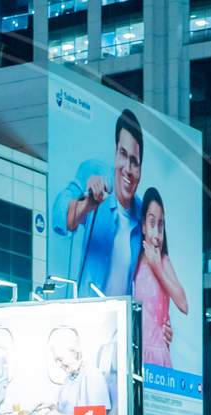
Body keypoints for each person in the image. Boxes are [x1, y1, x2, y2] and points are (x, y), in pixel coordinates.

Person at [51, 108, 145, 297]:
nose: (127, 168)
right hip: (87, 315)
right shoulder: (93, 173)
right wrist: (87, 205)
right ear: (115, 152)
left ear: (141, 167)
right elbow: (59, 217)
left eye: (134, 161)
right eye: (123, 154)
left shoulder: (143, 213)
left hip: (123, 321)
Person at [133, 187, 188, 368]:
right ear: (142, 225)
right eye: (151, 223)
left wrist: (157, 268)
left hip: (157, 355)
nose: (157, 234)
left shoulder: (163, 261)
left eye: (161, 225)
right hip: (135, 351)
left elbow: (183, 304)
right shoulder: (134, 260)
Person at [39, 325, 118, 415]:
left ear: (74, 353)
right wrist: (53, 406)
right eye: (56, 360)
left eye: (60, 359)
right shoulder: (70, 376)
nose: (58, 365)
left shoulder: (92, 375)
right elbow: (69, 407)